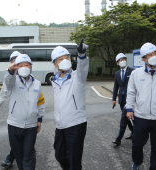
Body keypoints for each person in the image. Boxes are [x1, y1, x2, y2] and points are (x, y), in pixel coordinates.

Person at [125, 42, 156, 170]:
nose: (154, 56)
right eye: (150, 55)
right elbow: (131, 92)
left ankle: (155, 168)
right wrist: (129, 108)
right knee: (137, 143)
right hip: (141, 116)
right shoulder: (136, 74)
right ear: (144, 59)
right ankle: (137, 162)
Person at [51, 39, 89, 170]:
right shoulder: (54, 80)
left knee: (74, 160)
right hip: (60, 125)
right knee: (59, 155)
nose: (65, 60)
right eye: (60, 59)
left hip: (76, 124)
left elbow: (83, 67)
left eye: (67, 57)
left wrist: (82, 55)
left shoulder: (77, 77)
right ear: (55, 64)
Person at [4, 54, 45, 170]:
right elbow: (8, 80)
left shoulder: (37, 83)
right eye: (20, 65)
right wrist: (10, 71)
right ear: (16, 68)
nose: (24, 67)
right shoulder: (13, 81)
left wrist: (39, 119)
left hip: (31, 126)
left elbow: (40, 102)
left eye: (26, 65)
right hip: (14, 125)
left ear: (30, 67)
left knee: (29, 153)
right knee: (19, 155)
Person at [0, 51, 21, 169]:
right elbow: (3, 92)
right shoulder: (9, 77)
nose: (15, 62)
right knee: (16, 140)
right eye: (13, 60)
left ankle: (10, 158)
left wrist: (39, 116)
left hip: (29, 114)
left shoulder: (29, 76)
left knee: (23, 139)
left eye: (17, 59)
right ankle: (12, 157)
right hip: (15, 114)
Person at [112, 53, 133, 145]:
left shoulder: (132, 71)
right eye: (120, 60)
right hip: (121, 99)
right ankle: (134, 133)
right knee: (128, 118)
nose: (122, 61)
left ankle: (118, 138)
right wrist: (114, 99)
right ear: (117, 63)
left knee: (123, 118)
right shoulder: (117, 74)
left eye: (124, 59)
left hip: (130, 99)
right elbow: (115, 87)